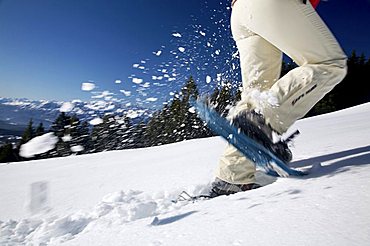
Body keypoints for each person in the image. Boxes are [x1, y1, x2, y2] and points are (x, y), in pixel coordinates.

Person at [209, 0, 347, 197]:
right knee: (330, 65)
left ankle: (232, 176)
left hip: (240, 13)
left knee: (255, 94)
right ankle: (259, 124)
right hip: (270, 5)